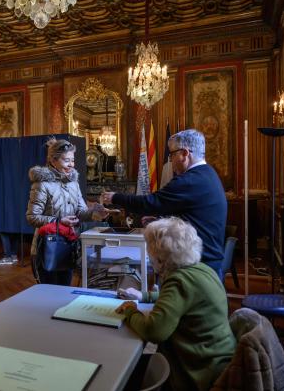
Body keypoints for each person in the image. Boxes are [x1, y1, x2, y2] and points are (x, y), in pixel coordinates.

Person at [116, 217, 236, 391]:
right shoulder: (202, 270)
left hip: (200, 371)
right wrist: (145, 296)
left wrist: (130, 311)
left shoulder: (178, 281)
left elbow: (154, 331)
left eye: (149, 249)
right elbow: (183, 298)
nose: (148, 255)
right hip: (218, 359)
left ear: (160, 256)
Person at [101, 129, 227, 278]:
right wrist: (162, 221)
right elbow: (191, 213)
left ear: (185, 154)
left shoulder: (190, 180)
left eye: (172, 154)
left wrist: (115, 197)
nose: (171, 160)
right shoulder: (208, 173)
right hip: (207, 261)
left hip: (197, 266)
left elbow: (150, 203)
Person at [26, 138, 108, 285]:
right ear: (53, 160)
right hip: (48, 246)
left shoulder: (73, 183)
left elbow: (81, 211)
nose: (71, 165)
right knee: (48, 295)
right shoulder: (42, 184)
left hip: (68, 245)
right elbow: (32, 217)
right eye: (66, 160)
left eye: (73, 160)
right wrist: (58, 221)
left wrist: (95, 212)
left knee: (65, 292)